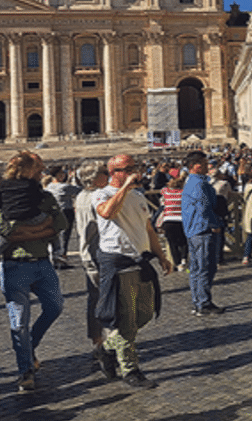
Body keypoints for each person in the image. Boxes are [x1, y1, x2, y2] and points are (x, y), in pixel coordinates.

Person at [0, 151, 67, 392]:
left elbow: (60, 224)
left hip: (42, 261)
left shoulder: (43, 196)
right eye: (40, 168)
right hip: (14, 265)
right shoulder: (1, 196)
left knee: (55, 307)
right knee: (18, 322)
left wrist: (25, 233)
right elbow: (1, 230)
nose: (43, 172)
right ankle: (25, 370)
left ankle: (28, 347)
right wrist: (42, 230)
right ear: (26, 170)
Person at [93, 153, 174, 389]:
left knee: (147, 312)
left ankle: (107, 347)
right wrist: (125, 188)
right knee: (127, 319)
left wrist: (161, 255)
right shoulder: (102, 194)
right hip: (118, 261)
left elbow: (148, 229)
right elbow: (107, 212)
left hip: (141, 259)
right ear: (113, 173)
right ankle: (130, 369)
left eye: (133, 168)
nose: (132, 172)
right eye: (126, 169)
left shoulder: (139, 196)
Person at [0, 152, 58, 289]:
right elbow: (39, 200)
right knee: (52, 224)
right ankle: (58, 252)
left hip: (12, 222)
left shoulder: (3, 185)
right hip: (33, 218)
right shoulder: (33, 185)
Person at [181, 151, 225, 316]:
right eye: (206, 164)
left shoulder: (190, 182)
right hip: (203, 229)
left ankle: (197, 301)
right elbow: (203, 207)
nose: (209, 167)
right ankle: (203, 303)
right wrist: (214, 224)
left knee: (196, 268)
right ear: (197, 165)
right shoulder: (199, 184)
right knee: (206, 267)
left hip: (193, 229)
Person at [74, 161, 108, 355]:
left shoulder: (80, 196)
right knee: (108, 298)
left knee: (94, 298)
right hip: (100, 252)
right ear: (96, 178)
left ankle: (97, 339)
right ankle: (109, 340)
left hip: (88, 252)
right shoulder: (98, 197)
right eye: (105, 173)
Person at [44, 168, 80, 268]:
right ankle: (62, 259)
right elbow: (79, 190)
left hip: (53, 212)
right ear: (58, 175)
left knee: (55, 235)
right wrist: (75, 178)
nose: (64, 175)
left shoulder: (49, 186)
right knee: (65, 236)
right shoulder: (64, 187)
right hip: (66, 211)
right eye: (62, 173)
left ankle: (55, 258)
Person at [159, 172, 189, 271]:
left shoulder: (166, 192)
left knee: (173, 244)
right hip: (182, 220)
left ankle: (178, 263)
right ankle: (184, 258)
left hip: (169, 220)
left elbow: (162, 190)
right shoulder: (184, 193)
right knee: (184, 240)